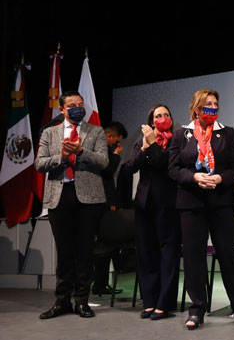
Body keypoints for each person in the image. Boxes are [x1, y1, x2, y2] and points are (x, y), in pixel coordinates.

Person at [168, 89, 234, 330]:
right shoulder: (182, 134)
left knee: (228, 254)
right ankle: (197, 308)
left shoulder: (227, 132)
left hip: (221, 200)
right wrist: (194, 177)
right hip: (191, 202)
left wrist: (221, 178)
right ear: (196, 108)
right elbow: (173, 169)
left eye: (215, 104)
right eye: (207, 104)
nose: (212, 108)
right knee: (193, 257)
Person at [35, 90, 108, 319]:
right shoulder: (49, 133)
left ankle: (82, 301)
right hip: (60, 195)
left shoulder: (95, 131)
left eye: (81, 104)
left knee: (85, 252)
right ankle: (62, 301)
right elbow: (39, 164)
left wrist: (82, 151)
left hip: (89, 199)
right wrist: (63, 157)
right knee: (65, 252)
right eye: (73, 105)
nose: (78, 108)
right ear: (62, 110)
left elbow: (104, 162)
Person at [128, 104, 181, 320]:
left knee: (168, 254)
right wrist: (143, 149)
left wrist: (151, 145)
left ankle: (164, 303)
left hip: (169, 204)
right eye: (158, 115)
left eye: (166, 114)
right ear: (151, 121)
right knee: (146, 253)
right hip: (144, 204)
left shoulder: (177, 140)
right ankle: (149, 301)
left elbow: (167, 165)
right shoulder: (141, 140)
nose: (163, 118)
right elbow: (129, 167)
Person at [92, 121, 129, 296]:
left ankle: (100, 284)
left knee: (106, 246)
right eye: (116, 141)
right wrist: (115, 155)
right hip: (99, 204)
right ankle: (95, 284)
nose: (117, 145)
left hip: (106, 203)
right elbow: (107, 173)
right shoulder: (100, 151)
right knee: (102, 246)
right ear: (110, 136)